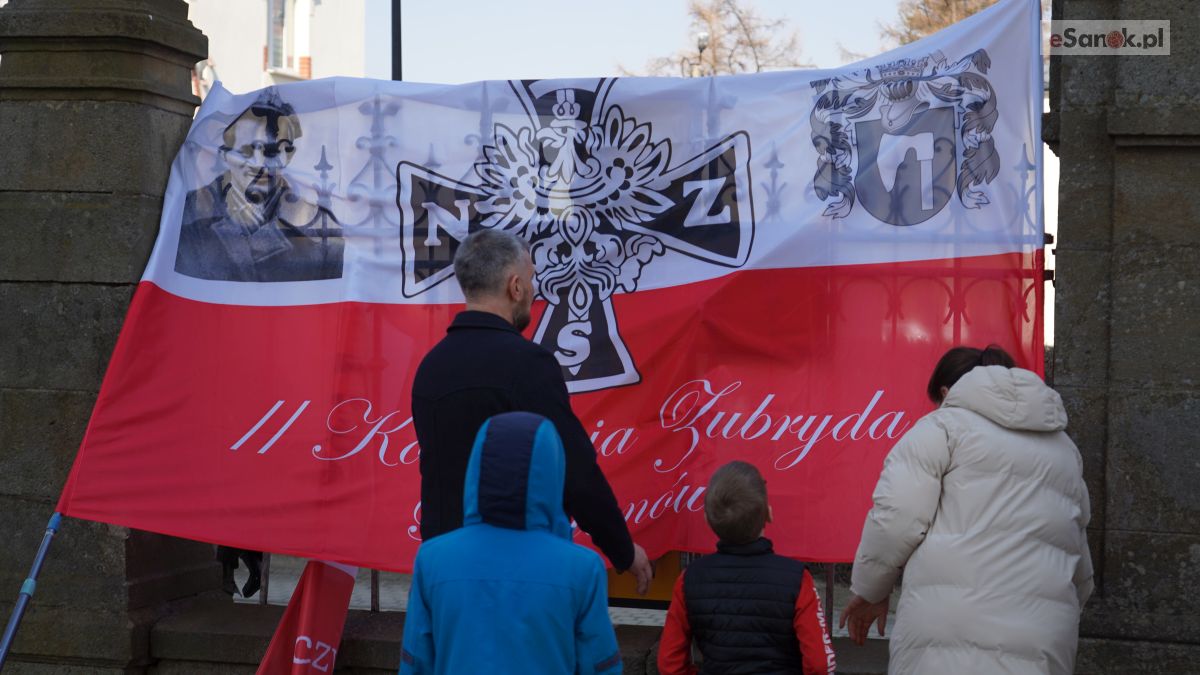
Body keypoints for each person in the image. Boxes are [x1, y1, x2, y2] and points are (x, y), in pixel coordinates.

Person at [411, 229, 653, 593]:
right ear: (515, 287)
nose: (534, 290)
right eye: (531, 279)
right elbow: (574, 469)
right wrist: (622, 549)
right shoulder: (527, 364)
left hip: (445, 573)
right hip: (516, 574)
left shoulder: (431, 367)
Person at [839, 345, 1093, 675]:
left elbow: (896, 520)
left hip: (948, 627)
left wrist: (871, 590)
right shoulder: (1065, 450)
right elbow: (1078, 555)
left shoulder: (941, 428)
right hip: (1046, 635)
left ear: (947, 392)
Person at [399, 412, 622, 674]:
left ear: (476, 469)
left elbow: (416, 663)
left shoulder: (432, 560)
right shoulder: (583, 568)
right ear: (553, 472)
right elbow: (600, 665)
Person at [658, 461, 837, 675]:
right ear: (768, 514)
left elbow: (669, 663)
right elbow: (820, 664)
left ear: (707, 520)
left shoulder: (689, 579)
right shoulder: (797, 579)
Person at [174, 88, 343, 282]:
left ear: (288, 155)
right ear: (225, 155)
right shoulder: (190, 213)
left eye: (271, 151)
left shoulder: (321, 230)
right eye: (246, 151)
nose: (258, 162)